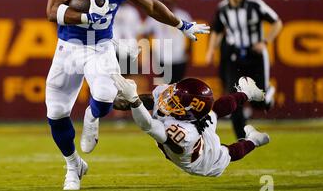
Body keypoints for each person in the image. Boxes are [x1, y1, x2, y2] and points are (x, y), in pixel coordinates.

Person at [45, 0, 210, 190]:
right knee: (55, 112)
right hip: (69, 45)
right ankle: (73, 165)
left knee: (105, 97)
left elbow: (152, 5)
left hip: (100, 46)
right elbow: (52, 11)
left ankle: (91, 117)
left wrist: (181, 24)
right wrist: (87, 17)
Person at [112, 74, 270, 177]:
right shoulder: (184, 107)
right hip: (194, 121)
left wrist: (133, 100)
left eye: (174, 102)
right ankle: (248, 93)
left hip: (199, 160)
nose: (167, 100)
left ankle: (254, 141)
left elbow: (148, 125)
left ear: (189, 112)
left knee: (225, 153)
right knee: (213, 112)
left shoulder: (185, 133)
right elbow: (152, 99)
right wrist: (124, 101)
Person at [205, 0, 283, 139]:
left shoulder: (254, 4)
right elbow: (217, 30)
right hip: (235, 56)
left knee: (260, 102)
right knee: (233, 100)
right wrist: (211, 50)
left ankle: (268, 92)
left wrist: (265, 42)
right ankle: (241, 138)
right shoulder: (223, 9)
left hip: (255, 55)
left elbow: (277, 22)